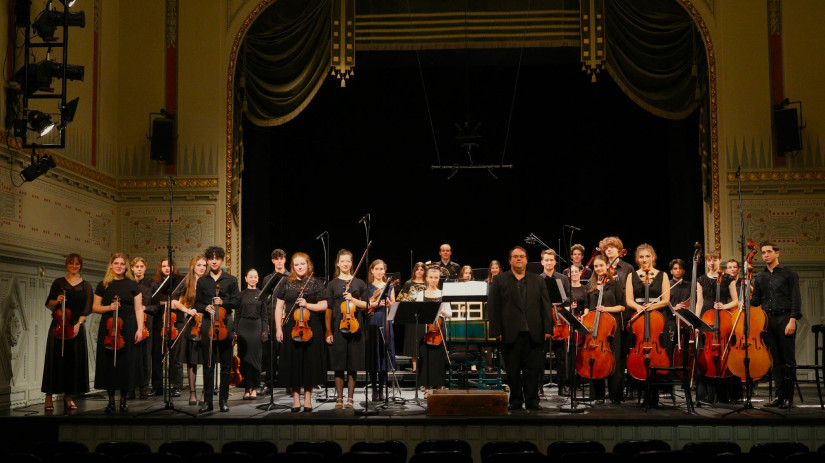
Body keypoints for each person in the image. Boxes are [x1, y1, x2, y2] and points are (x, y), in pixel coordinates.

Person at [488, 246, 553, 411]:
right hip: (509, 333)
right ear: (510, 260)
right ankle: (515, 400)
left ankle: (532, 400)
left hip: (534, 332)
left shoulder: (537, 280)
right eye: (515, 256)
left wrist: (548, 329)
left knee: (533, 370)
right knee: (513, 371)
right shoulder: (500, 280)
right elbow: (493, 308)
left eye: (522, 256)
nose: (518, 259)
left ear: (526, 260)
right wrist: (496, 331)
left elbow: (546, 306)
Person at [750, 241, 802, 409]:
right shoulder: (760, 277)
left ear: (777, 253)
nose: (765, 255)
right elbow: (755, 301)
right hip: (767, 321)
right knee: (776, 360)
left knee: (788, 360)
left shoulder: (789, 274)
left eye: (768, 252)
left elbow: (796, 299)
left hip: (785, 318)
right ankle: (779, 397)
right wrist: (745, 288)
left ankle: (789, 398)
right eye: (763, 252)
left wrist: (792, 320)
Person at [274, 252, 328, 412]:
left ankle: (308, 400)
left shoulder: (316, 283)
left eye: (302, 264)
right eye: (296, 265)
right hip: (292, 327)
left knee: (309, 364)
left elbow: (324, 305)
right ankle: (296, 400)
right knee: (294, 363)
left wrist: (307, 304)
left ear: (308, 265)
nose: (299, 267)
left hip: (312, 328)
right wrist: (278, 328)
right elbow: (278, 308)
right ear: (292, 267)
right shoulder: (285, 283)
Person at [92, 253, 145, 413]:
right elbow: (95, 307)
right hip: (109, 328)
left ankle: (123, 401)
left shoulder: (132, 285)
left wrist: (140, 328)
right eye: (116, 263)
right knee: (109, 364)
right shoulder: (103, 285)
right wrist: (109, 308)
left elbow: (138, 308)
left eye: (122, 264)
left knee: (125, 364)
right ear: (111, 265)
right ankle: (110, 401)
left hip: (128, 327)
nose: (119, 266)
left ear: (126, 266)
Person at [42, 253, 92, 412]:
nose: (74, 266)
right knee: (54, 361)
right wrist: (57, 301)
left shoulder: (86, 285)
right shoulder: (59, 282)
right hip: (59, 325)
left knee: (73, 362)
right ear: (67, 265)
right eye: (71, 263)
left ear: (80, 266)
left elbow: (87, 307)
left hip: (76, 326)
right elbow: (49, 302)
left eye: (77, 264)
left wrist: (78, 324)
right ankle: (48, 396)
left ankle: (68, 396)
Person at [624, 244, 672, 408]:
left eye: (647, 256)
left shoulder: (662, 275)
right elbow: (629, 299)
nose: (645, 260)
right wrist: (638, 308)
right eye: (641, 257)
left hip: (658, 317)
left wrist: (651, 307)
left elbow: (665, 300)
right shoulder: (632, 276)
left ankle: (655, 394)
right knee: (637, 351)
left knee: (658, 351)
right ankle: (642, 391)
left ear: (653, 257)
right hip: (638, 317)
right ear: (637, 259)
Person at [194, 246, 240, 413]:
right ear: (207, 260)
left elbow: (236, 302)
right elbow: (196, 303)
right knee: (208, 364)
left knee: (226, 365)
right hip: (207, 324)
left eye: (217, 258)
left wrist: (223, 303)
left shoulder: (231, 280)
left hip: (225, 323)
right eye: (211, 258)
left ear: (222, 260)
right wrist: (205, 307)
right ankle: (207, 402)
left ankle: (223, 401)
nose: (214, 261)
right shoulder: (202, 281)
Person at [325, 249, 368, 409]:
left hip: (356, 327)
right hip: (338, 326)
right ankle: (339, 398)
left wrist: (354, 300)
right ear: (338, 263)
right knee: (338, 364)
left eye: (347, 261)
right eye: (342, 261)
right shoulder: (332, 284)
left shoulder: (359, 283)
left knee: (353, 364)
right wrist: (328, 330)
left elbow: (366, 306)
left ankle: (350, 398)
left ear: (352, 263)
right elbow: (329, 309)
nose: (345, 264)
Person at [695, 249, 740, 404]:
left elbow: (735, 301)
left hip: (722, 315)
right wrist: (696, 322)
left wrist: (724, 305)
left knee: (724, 351)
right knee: (705, 352)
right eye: (709, 260)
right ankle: (706, 395)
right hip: (706, 316)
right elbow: (699, 302)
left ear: (720, 260)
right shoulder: (701, 279)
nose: (712, 263)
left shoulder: (728, 278)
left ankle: (724, 394)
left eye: (715, 259)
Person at [585, 255, 625, 404]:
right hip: (595, 329)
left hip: (611, 328)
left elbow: (622, 306)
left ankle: (615, 395)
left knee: (614, 361)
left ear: (607, 266)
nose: (599, 269)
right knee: (596, 360)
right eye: (596, 266)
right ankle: (598, 395)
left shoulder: (615, 283)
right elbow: (589, 307)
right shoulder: (590, 285)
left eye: (601, 265)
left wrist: (605, 308)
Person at [172, 255, 207, 406]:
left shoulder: (209, 281)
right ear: (193, 266)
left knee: (207, 359)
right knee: (191, 360)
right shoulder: (187, 281)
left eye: (204, 265)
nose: (202, 268)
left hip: (207, 322)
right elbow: (174, 301)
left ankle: (206, 392)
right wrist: (188, 310)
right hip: (192, 323)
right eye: (199, 265)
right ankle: (192, 393)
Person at [148, 257, 183, 398]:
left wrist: (173, 302)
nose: (167, 268)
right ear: (160, 268)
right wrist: (165, 302)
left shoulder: (179, 282)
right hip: (159, 322)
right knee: (157, 356)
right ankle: (157, 387)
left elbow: (182, 300)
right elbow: (153, 300)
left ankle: (176, 386)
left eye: (169, 265)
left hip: (176, 321)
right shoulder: (155, 283)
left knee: (175, 357)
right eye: (164, 266)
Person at [416, 267, 452, 396]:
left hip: (439, 329)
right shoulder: (421, 294)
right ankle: (426, 388)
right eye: (431, 277)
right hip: (426, 329)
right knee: (426, 358)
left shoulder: (442, 294)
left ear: (438, 279)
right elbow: (418, 311)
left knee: (438, 359)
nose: (433, 280)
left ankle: (439, 386)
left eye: (436, 278)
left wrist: (443, 312)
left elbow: (449, 313)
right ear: (426, 278)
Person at [540, 249, 571, 396]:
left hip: (559, 320)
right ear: (542, 262)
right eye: (546, 260)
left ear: (555, 262)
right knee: (540, 355)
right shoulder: (538, 278)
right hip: (544, 319)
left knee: (561, 356)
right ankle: (538, 386)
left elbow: (568, 298)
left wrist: (564, 302)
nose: (548, 262)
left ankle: (562, 386)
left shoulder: (563, 278)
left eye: (551, 260)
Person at [366, 259, 397, 402]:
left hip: (386, 320)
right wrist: (374, 303)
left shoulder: (389, 286)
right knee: (374, 354)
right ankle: (373, 389)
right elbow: (365, 307)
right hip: (373, 320)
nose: (379, 271)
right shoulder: (368, 287)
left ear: (385, 271)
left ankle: (382, 389)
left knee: (385, 354)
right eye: (376, 269)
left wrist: (388, 302)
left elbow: (393, 307)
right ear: (372, 270)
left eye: (382, 269)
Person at [260, 248, 289, 394]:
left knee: (287, 352)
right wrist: (266, 324)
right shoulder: (268, 278)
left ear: (285, 259)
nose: (279, 261)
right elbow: (264, 302)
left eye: (281, 258)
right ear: (273, 261)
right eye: (276, 258)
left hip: (289, 318)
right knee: (271, 352)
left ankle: (290, 383)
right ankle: (269, 383)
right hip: (272, 318)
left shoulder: (291, 276)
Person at [237, 268, 265, 400]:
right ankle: (246, 388)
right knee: (244, 358)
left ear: (258, 279)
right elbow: (237, 314)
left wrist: (265, 331)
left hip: (256, 326)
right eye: (251, 277)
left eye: (255, 277)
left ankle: (254, 388)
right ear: (246, 278)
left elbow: (264, 316)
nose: (253, 279)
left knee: (256, 358)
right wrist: (235, 331)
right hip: (243, 326)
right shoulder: (241, 294)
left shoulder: (262, 294)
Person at [130, 257, 156, 400]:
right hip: (131, 324)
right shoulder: (128, 284)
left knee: (146, 358)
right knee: (132, 358)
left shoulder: (152, 284)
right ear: (132, 268)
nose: (139, 269)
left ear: (145, 268)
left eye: (141, 266)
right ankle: (130, 389)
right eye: (136, 266)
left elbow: (157, 305)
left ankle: (144, 389)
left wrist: (145, 308)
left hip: (147, 324)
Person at [400, 262, 427, 372]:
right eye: (417, 269)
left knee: (423, 340)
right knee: (413, 341)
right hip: (412, 315)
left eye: (422, 269)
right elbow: (405, 300)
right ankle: (415, 367)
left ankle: (424, 366)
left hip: (424, 315)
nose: (419, 271)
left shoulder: (427, 283)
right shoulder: (408, 283)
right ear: (414, 271)